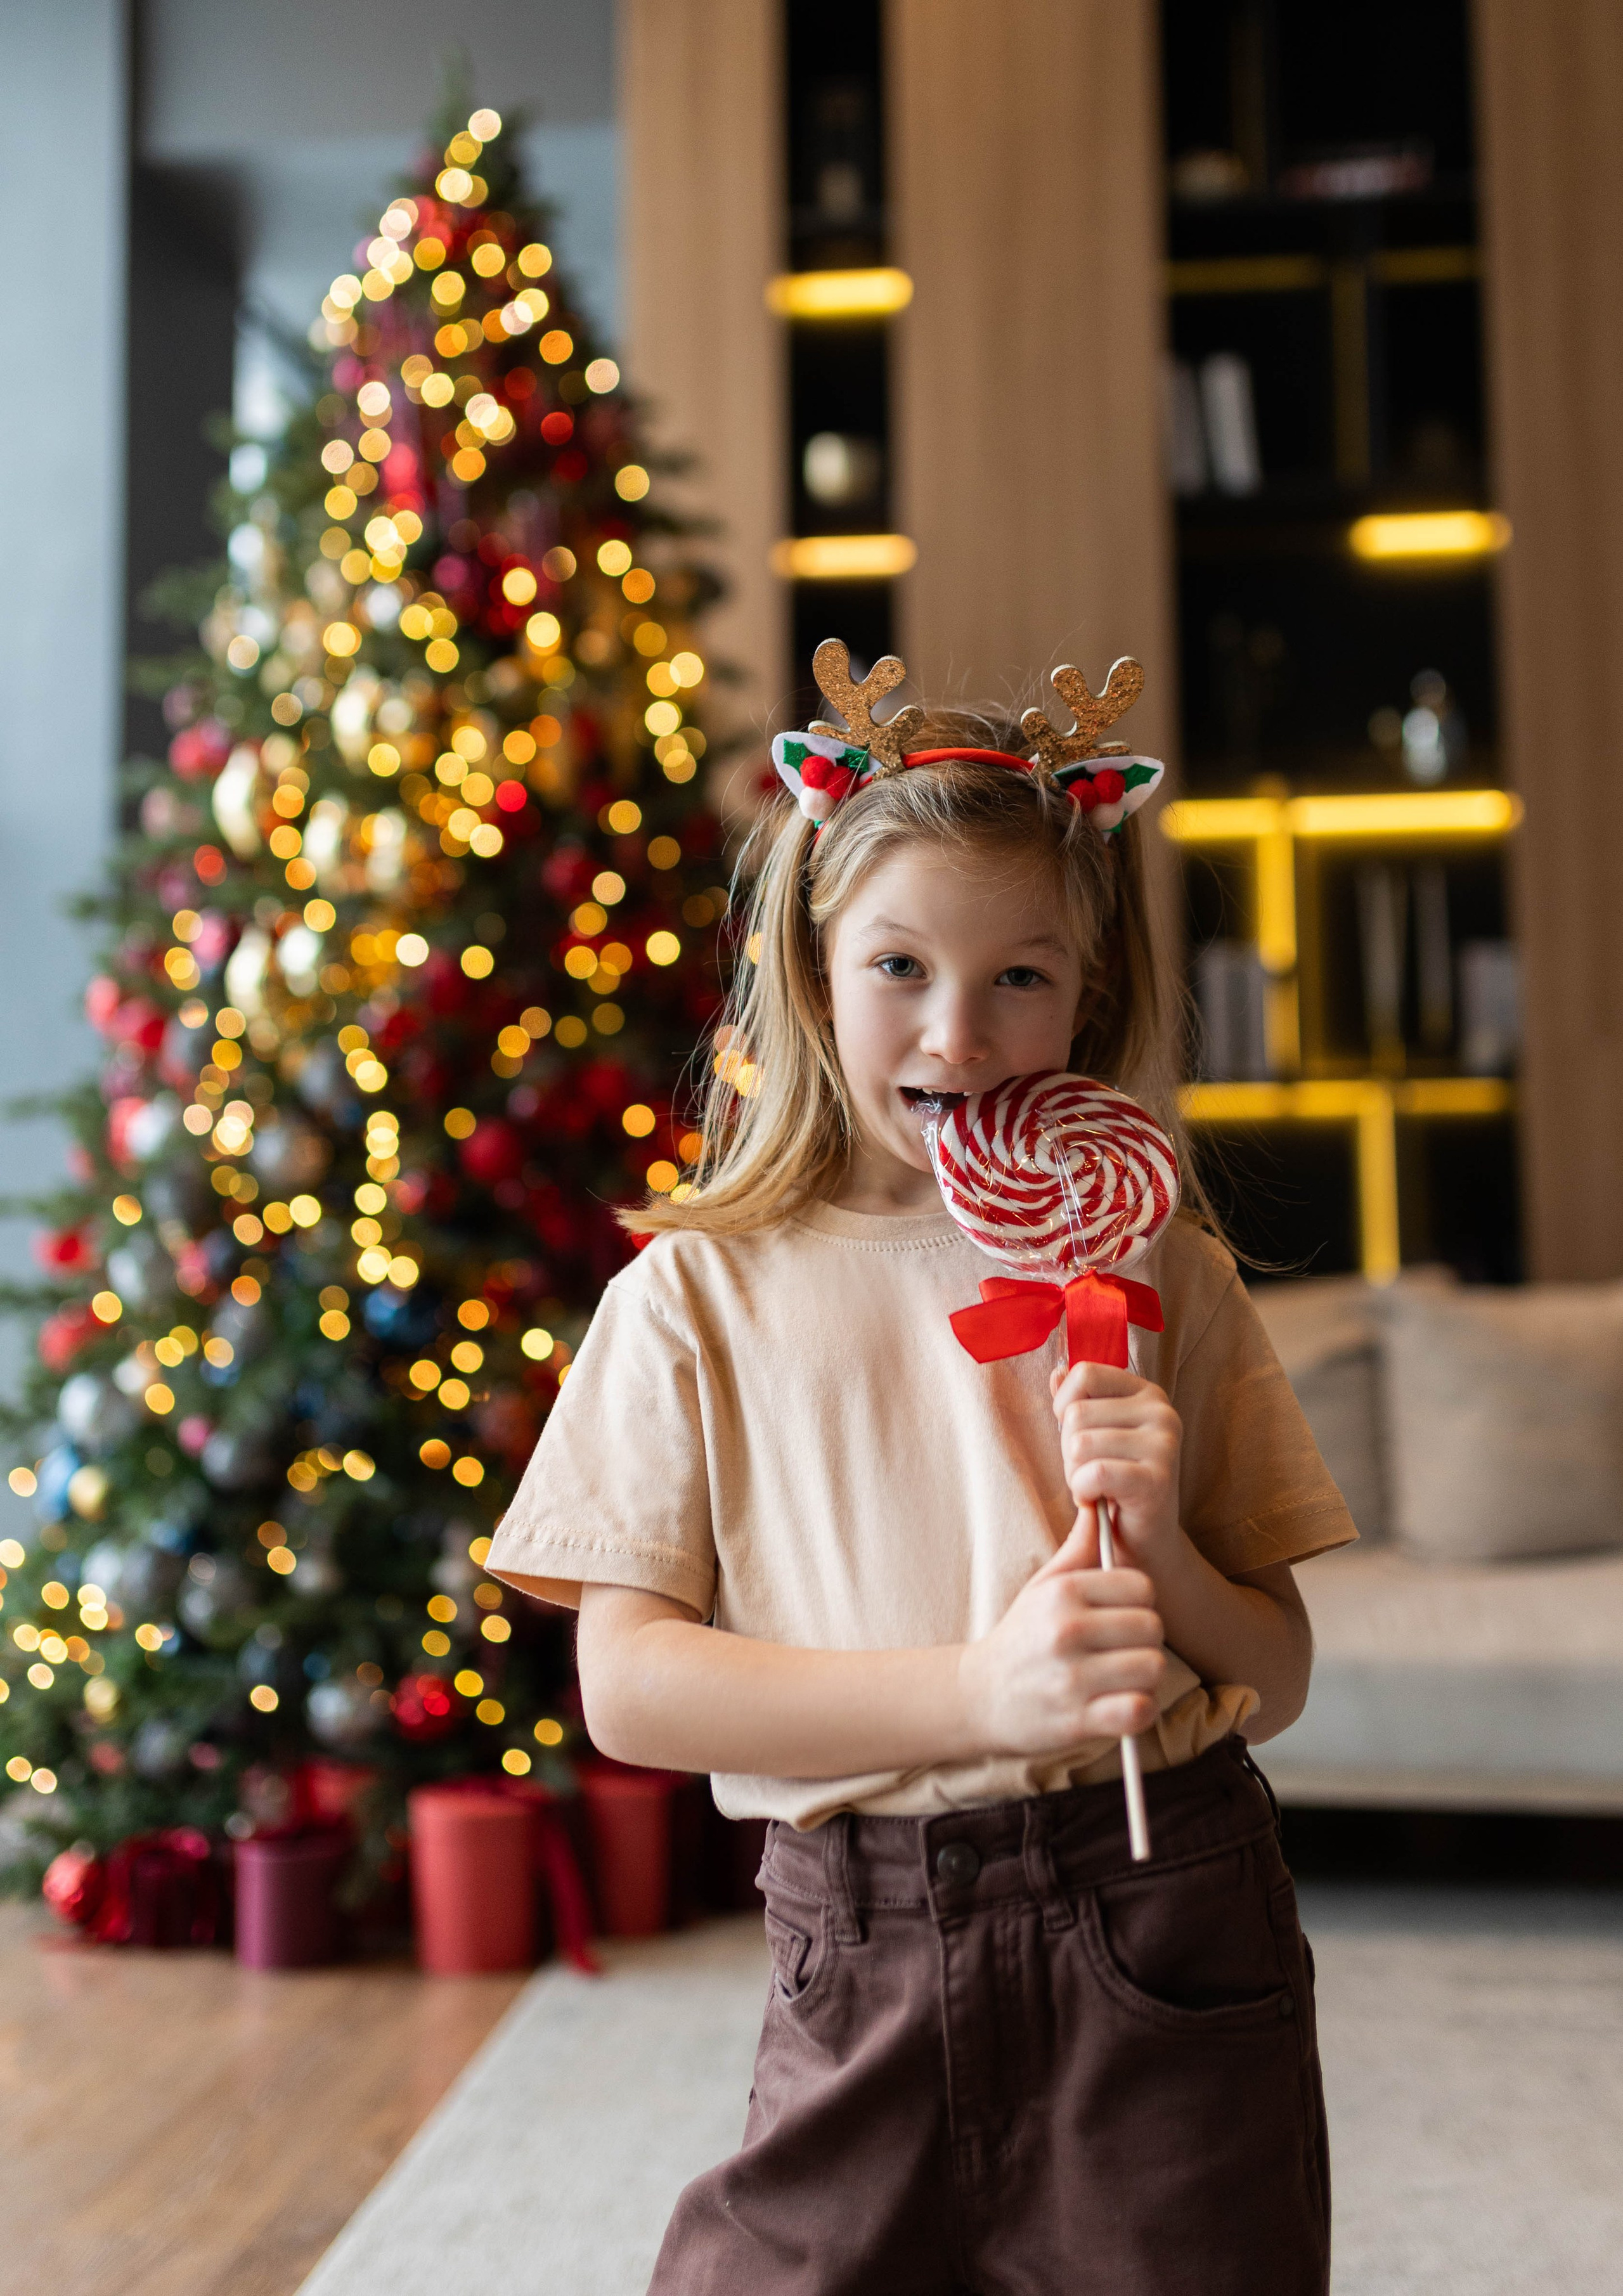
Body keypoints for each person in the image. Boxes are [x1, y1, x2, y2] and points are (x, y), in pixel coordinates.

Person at [486, 647, 1354, 2295]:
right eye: (900, 965)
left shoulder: (1155, 1261)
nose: (960, 1029)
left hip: (1157, 1909)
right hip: (860, 1932)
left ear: (1091, 990)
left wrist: (1164, 1553)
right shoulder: (694, 1296)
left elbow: (1280, 1669)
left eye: (1023, 976)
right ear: (815, 974)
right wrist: (981, 1694)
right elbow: (629, 1690)